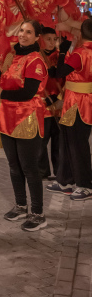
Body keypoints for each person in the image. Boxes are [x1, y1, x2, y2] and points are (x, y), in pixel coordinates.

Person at [0, 20, 48, 232]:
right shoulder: (13, 57)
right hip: (7, 118)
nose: (23, 35)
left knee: (29, 168)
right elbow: (4, 82)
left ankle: (38, 213)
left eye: (29, 32)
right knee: (14, 166)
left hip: (26, 118)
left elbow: (28, 93)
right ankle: (21, 205)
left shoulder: (36, 61)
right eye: (22, 31)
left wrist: (2, 94)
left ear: (36, 38)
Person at [47, 19, 92, 200]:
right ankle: (65, 180)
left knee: (76, 144)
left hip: (77, 103)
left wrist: (63, 50)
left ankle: (85, 184)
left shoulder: (81, 52)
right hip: (78, 101)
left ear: (80, 34)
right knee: (68, 142)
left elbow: (61, 72)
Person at [38, 27, 62, 179]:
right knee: (40, 144)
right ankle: (42, 173)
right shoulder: (35, 57)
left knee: (59, 145)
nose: (52, 42)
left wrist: (59, 98)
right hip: (42, 107)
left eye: (54, 39)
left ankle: (60, 173)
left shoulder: (61, 57)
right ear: (40, 39)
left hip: (59, 106)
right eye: (48, 39)